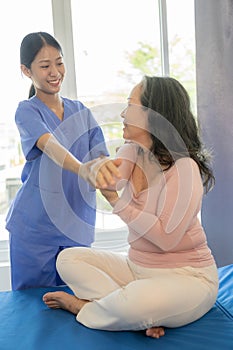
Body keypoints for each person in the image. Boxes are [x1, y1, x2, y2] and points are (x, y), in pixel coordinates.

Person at [43, 76, 218, 339]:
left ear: (153, 115)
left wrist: (116, 200)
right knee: (68, 259)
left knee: (139, 299)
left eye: (130, 105)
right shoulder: (131, 151)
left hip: (187, 278)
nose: (123, 113)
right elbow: (105, 178)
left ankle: (87, 309)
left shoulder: (185, 170)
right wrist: (94, 169)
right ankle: (129, 314)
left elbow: (165, 239)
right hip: (136, 270)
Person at [5, 32, 120, 291]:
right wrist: (83, 169)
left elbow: (102, 167)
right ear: (26, 71)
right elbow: (51, 146)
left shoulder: (82, 112)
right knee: (34, 310)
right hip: (35, 229)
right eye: (45, 66)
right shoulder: (28, 111)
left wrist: (122, 204)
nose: (55, 71)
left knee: (78, 305)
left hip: (76, 227)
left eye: (59, 62)